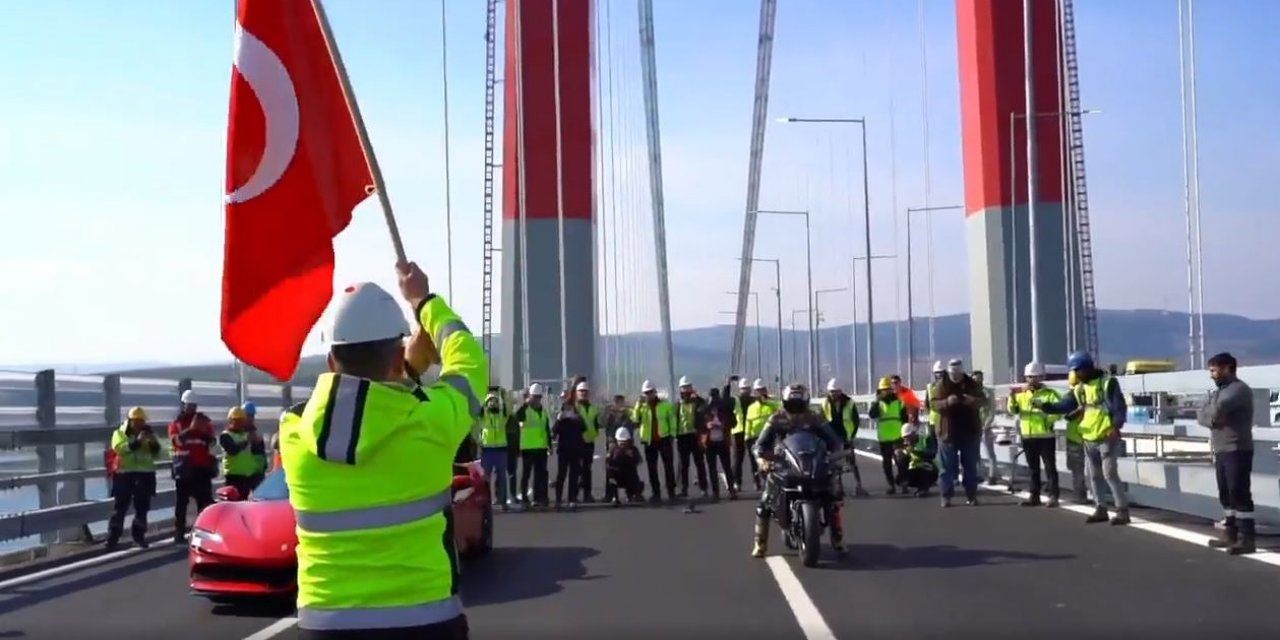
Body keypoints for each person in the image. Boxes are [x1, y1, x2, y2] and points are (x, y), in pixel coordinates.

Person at [278, 261, 482, 639]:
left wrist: (404, 367)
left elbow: (353, 408)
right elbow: (470, 363)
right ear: (395, 359)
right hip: (425, 621)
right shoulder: (432, 421)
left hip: (326, 625)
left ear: (331, 361)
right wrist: (423, 301)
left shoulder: (294, 434)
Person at [750, 384, 846, 558]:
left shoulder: (815, 417)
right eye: (791, 404)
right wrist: (762, 460)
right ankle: (760, 543)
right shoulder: (776, 418)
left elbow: (834, 440)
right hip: (784, 465)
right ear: (785, 403)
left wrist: (834, 456)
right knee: (765, 503)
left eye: (799, 405)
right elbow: (759, 445)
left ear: (806, 403)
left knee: (834, 498)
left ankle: (837, 537)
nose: (795, 409)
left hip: (813, 463)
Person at [1036, 351, 1130, 525]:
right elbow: (1065, 405)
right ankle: (1100, 508)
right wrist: (1045, 406)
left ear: (1086, 368)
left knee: (1109, 473)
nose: (1076, 374)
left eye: (1077, 370)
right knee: (1093, 475)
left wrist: (1116, 426)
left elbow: (1120, 407)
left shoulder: (1107, 383)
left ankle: (1122, 511)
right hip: (1088, 436)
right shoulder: (1079, 389)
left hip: (1106, 434)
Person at [1198, 352, 1256, 554]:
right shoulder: (1218, 392)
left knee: (1238, 491)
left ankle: (1246, 538)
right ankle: (1230, 533)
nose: (1211, 375)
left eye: (1214, 370)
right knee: (1225, 493)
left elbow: (1216, 410)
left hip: (1237, 448)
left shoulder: (1239, 390)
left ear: (1228, 368)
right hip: (1222, 449)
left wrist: (1212, 415)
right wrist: (1212, 417)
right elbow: (1202, 415)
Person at [930, 359, 986, 508]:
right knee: (946, 468)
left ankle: (971, 495)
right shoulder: (941, 385)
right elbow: (933, 404)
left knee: (970, 466)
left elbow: (983, 400)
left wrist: (972, 400)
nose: (955, 376)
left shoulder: (972, 384)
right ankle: (946, 496)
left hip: (970, 431)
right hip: (947, 433)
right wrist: (947, 402)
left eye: (958, 374)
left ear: (962, 372)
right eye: (953, 374)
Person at [1008, 362, 1062, 508]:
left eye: (1036, 377)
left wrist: (1048, 421)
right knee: (1033, 468)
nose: (1032, 380)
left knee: (1050, 467)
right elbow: (1012, 410)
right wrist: (1012, 397)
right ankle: (1034, 495)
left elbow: (1058, 411)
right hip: (1028, 436)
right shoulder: (1020, 394)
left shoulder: (1050, 394)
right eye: (1030, 377)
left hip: (1045, 435)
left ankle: (1053, 495)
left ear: (1042, 377)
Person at [107, 406, 161, 549]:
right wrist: (138, 442)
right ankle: (112, 538)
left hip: (145, 474)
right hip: (124, 474)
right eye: (137, 421)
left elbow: (158, 453)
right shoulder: (120, 433)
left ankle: (139, 537)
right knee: (120, 507)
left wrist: (152, 442)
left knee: (142, 508)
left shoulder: (149, 434)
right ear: (130, 421)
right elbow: (119, 448)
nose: (139, 425)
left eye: (141, 421)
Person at [168, 390, 216, 542]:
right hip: (184, 468)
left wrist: (201, 431)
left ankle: (204, 531)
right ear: (183, 405)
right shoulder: (176, 424)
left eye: (194, 405)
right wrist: (191, 430)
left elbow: (212, 442)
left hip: (202, 468)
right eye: (189, 405)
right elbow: (176, 442)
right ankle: (179, 532)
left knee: (204, 502)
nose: (192, 408)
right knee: (182, 502)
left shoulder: (204, 423)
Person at [631, 380, 678, 504]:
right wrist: (638, 405)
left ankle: (671, 492)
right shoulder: (642, 407)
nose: (648, 395)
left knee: (668, 467)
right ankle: (656, 493)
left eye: (650, 392)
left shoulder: (665, 405)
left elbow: (672, 420)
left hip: (664, 439)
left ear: (655, 392)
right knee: (652, 468)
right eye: (646, 393)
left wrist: (672, 435)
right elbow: (635, 419)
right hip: (649, 441)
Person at [821, 379, 868, 497]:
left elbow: (855, 420)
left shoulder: (849, 403)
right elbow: (821, 419)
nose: (833, 394)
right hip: (832, 437)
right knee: (835, 463)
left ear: (840, 391)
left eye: (835, 391)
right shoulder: (825, 403)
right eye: (831, 392)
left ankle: (859, 486)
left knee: (851, 462)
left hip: (846, 436)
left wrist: (852, 436)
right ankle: (839, 487)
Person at [513, 384, 552, 508]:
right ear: (530, 397)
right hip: (528, 448)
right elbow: (516, 417)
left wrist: (550, 445)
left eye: (538, 397)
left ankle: (538, 497)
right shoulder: (525, 411)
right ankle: (524, 497)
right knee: (526, 474)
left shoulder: (543, 412)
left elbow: (546, 429)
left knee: (540, 475)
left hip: (541, 447)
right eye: (534, 397)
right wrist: (525, 404)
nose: (536, 399)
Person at [867, 377, 908, 493]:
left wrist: (906, 432)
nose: (886, 392)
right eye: (883, 390)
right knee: (887, 462)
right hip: (884, 437)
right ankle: (891, 485)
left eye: (887, 389)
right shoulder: (878, 403)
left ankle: (903, 483)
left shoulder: (899, 402)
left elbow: (904, 417)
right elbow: (872, 415)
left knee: (901, 460)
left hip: (897, 435)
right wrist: (876, 402)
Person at [675, 377, 710, 498]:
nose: (686, 390)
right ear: (680, 389)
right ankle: (683, 489)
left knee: (699, 462)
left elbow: (705, 408)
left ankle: (703, 488)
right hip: (682, 436)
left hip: (695, 436)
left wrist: (697, 398)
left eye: (688, 387)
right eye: (683, 388)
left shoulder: (698, 402)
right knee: (683, 464)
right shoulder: (678, 404)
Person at [743, 379, 780, 492]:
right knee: (755, 461)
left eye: (762, 390)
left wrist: (768, 401)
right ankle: (756, 482)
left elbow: (781, 408)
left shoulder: (772, 404)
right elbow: (748, 422)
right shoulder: (751, 407)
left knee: (769, 461)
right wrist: (747, 436)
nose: (760, 393)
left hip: (769, 437)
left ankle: (769, 481)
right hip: (754, 438)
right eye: (758, 391)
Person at [552, 395, 586, 510]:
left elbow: (584, 428)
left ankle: (572, 499)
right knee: (561, 475)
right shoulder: (562, 421)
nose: (568, 412)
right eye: (566, 409)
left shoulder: (577, 420)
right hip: (563, 451)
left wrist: (578, 418)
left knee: (574, 476)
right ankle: (558, 499)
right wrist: (558, 419)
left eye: (570, 409)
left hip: (576, 450)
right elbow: (554, 431)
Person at [478, 391, 511, 512]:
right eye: (490, 401)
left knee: (501, 477)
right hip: (487, 450)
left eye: (495, 401)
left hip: (501, 450)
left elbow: (508, 408)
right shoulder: (483, 415)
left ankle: (502, 501)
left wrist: (504, 396)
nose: (493, 403)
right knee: (485, 477)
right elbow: (477, 408)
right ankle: (484, 502)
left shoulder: (502, 415)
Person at [703, 387, 736, 500]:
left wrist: (724, 425)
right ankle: (715, 492)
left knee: (727, 467)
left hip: (723, 442)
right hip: (709, 443)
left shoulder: (725, 409)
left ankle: (731, 490)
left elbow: (734, 422)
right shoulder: (705, 409)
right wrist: (707, 425)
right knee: (712, 469)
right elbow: (698, 423)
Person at [220, 406, 259, 498]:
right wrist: (246, 441)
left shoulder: (246, 434)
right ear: (230, 421)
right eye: (236, 420)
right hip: (233, 475)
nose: (239, 423)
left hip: (246, 476)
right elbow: (233, 450)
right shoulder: (226, 436)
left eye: (241, 420)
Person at [1063, 371, 1089, 504]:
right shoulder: (1092, 393)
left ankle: (1080, 495)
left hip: (1076, 436)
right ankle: (1090, 494)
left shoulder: (1069, 396)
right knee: (1090, 468)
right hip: (1090, 435)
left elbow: (1066, 416)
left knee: (1076, 468)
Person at [573, 381, 602, 503]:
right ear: (576, 393)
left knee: (587, 469)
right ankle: (574, 495)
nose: (583, 393)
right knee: (576, 469)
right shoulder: (574, 408)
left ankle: (587, 494)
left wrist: (595, 433)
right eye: (581, 391)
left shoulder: (593, 408)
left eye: (585, 391)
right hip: (576, 442)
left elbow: (596, 423)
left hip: (589, 442)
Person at [727, 376, 756, 494]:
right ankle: (737, 482)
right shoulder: (735, 400)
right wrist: (728, 384)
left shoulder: (755, 400)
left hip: (751, 432)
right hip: (738, 432)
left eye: (747, 388)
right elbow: (725, 399)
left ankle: (756, 481)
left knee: (754, 459)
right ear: (740, 389)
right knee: (738, 459)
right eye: (743, 389)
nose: (745, 391)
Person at [973, 370, 1002, 485]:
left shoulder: (988, 392)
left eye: (979, 378)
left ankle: (992, 475)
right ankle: (978, 474)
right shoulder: (970, 392)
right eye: (974, 379)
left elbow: (992, 410)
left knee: (990, 452)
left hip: (985, 426)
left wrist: (987, 424)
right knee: (975, 452)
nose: (977, 381)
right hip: (973, 426)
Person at [606, 427, 645, 505]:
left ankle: (632, 494)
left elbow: (639, 461)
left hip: (629, 476)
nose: (622, 444)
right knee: (611, 477)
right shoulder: (613, 449)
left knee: (637, 483)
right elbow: (607, 463)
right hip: (618, 476)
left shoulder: (633, 449)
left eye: (624, 441)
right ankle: (614, 497)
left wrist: (631, 457)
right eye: (620, 441)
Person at [900, 422, 938, 497]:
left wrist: (916, 452)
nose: (907, 439)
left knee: (923, 470)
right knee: (900, 477)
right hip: (914, 469)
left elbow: (932, 454)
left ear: (913, 433)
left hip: (929, 468)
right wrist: (901, 455)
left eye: (908, 436)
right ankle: (910, 485)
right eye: (905, 437)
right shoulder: (905, 445)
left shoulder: (925, 439)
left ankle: (923, 488)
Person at [240, 401, 268, 490]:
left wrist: (264, 465)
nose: (250, 418)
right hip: (243, 473)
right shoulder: (238, 431)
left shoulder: (256, 431)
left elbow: (262, 451)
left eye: (252, 416)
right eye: (248, 416)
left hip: (257, 472)